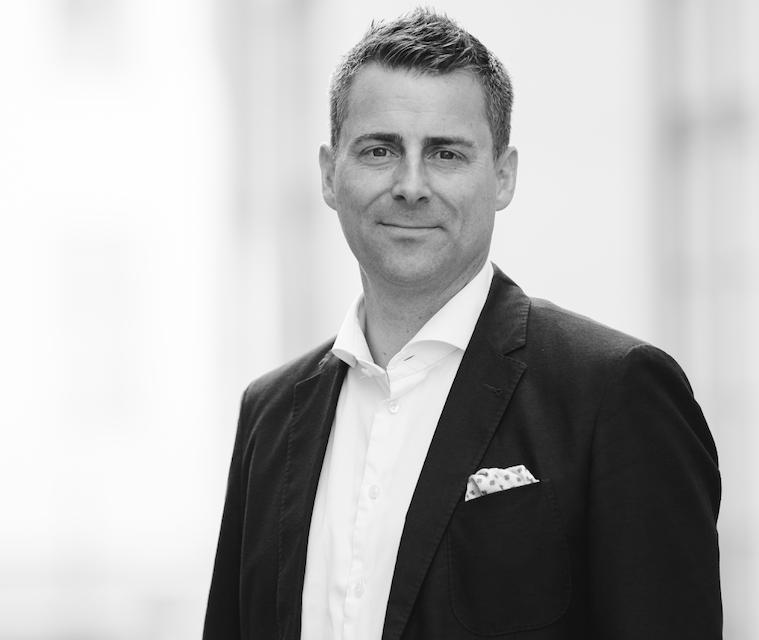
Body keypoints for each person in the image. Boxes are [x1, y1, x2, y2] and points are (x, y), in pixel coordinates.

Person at [203, 8, 722, 640]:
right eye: (379, 150)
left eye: (446, 153)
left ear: (503, 176)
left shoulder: (614, 394)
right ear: (329, 175)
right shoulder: (270, 414)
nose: (411, 185)